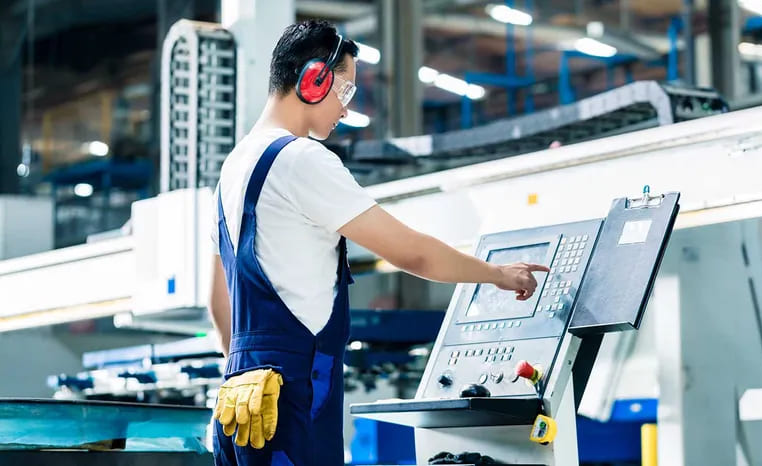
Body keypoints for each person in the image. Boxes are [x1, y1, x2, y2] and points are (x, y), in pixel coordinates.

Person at [208, 19, 549, 466]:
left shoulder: (232, 170)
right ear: (314, 79)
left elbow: (218, 301)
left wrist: (246, 371)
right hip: (289, 397)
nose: (346, 110)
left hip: (241, 404)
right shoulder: (302, 159)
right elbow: (414, 253)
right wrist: (496, 274)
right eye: (345, 91)